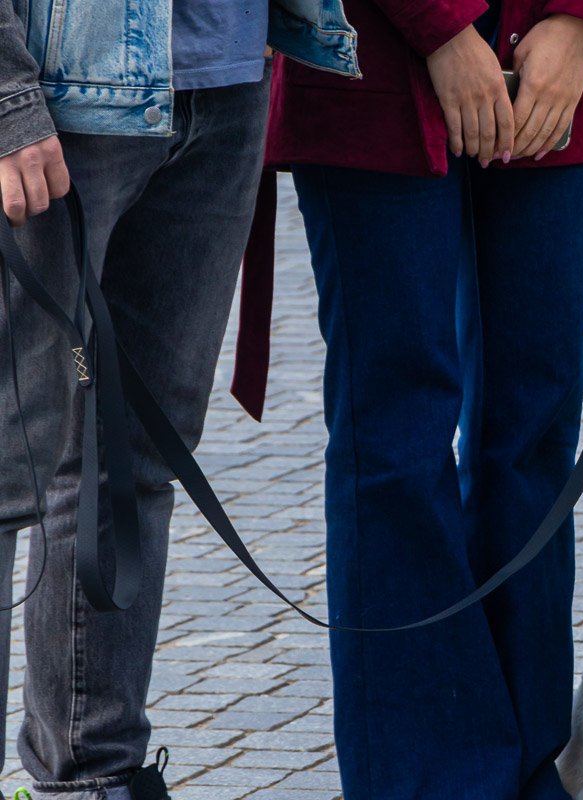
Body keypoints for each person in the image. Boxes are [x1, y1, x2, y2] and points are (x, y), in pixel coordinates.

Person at [248, 0, 583, 796]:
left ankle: (528, 764)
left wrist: (580, 21)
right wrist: (444, 28)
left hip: (554, 64)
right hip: (373, 59)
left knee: (534, 426)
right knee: (396, 436)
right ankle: (423, 780)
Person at [0, 2, 357, 798]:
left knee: (128, 462)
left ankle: (93, 778)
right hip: (60, 96)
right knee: (5, 462)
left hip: (225, 88)